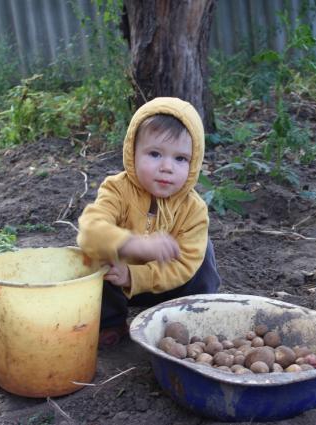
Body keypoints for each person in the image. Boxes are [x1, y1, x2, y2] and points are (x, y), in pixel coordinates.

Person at [77, 97, 221, 346]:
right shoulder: (117, 190)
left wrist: (135, 276)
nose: (167, 167)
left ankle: (193, 314)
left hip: (172, 285)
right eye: (154, 154)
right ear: (132, 153)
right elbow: (89, 230)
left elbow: (185, 263)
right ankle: (111, 322)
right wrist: (131, 245)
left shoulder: (193, 208)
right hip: (118, 284)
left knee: (203, 253)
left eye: (180, 159)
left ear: (194, 161)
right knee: (93, 252)